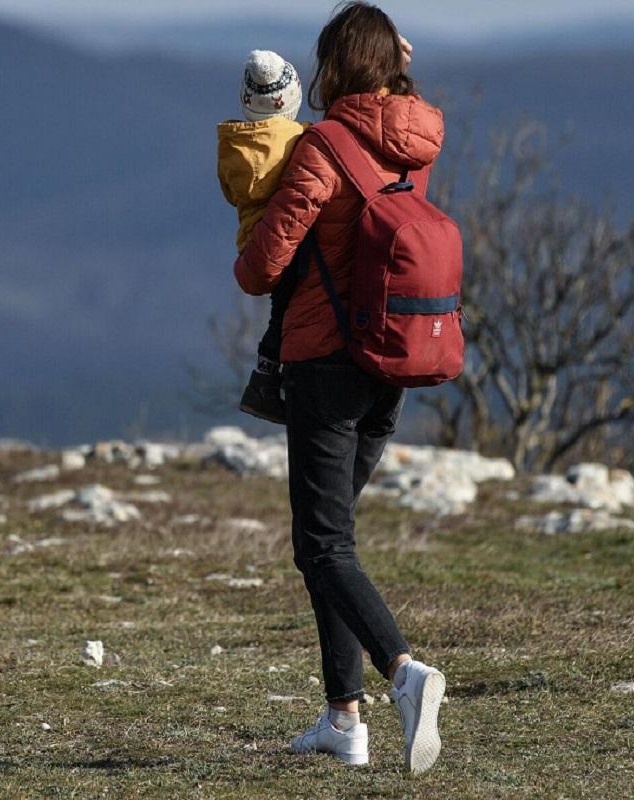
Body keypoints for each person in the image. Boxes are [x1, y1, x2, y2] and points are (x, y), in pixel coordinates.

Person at [232, 1, 446, 773]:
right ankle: (343, 719)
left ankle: (404, 673)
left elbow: (260, 268)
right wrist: (399, 66)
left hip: (326, 366)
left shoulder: (322, 149)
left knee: (322, 545)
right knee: (330, 546)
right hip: (391, 365)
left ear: (333, 67)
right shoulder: (416, 144)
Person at [217, 49, 308, 424]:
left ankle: (267, 375)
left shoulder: (232, 146)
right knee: (288, 308)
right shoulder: (299, 140)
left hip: (252, 244)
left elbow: (229, 192)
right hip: (287, 241)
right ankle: (270, 382)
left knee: (279, 309)